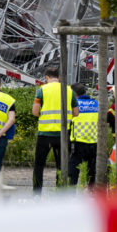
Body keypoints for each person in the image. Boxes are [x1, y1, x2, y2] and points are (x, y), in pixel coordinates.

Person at [31, 65, 78, 193]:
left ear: (46, 77)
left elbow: (35, 112)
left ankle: (36, 192)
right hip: (63, 135)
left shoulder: (41, 90)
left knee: (39, 165)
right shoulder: (69, 91)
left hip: (45, 134)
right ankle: (60, 192)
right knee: (62, 165)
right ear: (59, 77)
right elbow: (76, 113)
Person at [69, 83, 97, 187]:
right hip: (94, 142)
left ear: (73, 93)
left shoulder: (73, 105)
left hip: (78, 142)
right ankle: (92, 194)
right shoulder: (95, 104)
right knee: (91, 172)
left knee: (73, 171)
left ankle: (70, 195)